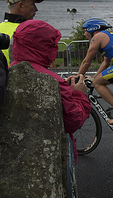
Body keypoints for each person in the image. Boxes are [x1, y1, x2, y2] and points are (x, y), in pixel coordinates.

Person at [10, 20, 91, 161]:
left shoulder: (7, 72)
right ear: (46, 47)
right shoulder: (54, 82)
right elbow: (73, 120)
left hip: (13, 153)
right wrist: (78, 94)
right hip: (49, 155)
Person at [0, 0, 46, 64]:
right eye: (33, 4)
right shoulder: (28, 32)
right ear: (21, 6)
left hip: (0, 76)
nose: (36, 9)